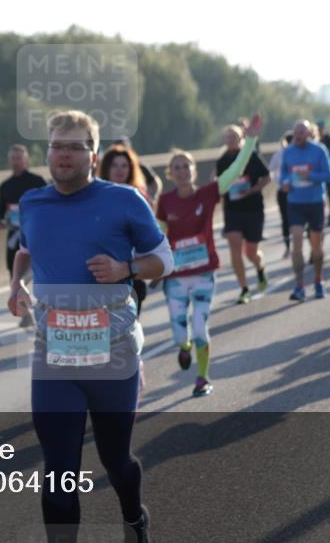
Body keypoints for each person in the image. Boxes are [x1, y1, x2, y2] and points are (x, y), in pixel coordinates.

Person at [8, 110, 174, 543]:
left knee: (115, 459)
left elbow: (164, 257)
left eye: (74, 146)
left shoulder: (124, 200)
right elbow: (26, 249)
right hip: (54, 353)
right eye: (56, 146)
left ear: (93, 156)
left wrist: (126, 270)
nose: (62, 154)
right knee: (58, 469)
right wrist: (15, 283)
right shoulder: (33, 203)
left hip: (112, 351)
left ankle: (133, 518)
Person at [157, 115, 263, 395]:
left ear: (194, 169)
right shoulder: (165, 202)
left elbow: (238, 167)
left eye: (186, 166)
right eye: (176, 168)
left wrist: (250, 140)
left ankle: (202, 378)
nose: (181, 171)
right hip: (176, 279)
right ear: (170, 173)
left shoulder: (209, 193)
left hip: (204, 274)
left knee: (201, 328)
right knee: (181, 333)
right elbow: (157, 234)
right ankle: (184, 347)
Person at [217, 124, 270, 303]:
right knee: (235, 248)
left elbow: (267, 177)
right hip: (233, 211)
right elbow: (221, 189)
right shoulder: (222, 160)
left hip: (253, 209)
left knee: (251, 252)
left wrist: (253, 190)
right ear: (224, 140)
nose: (231, 139)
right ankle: (244, 288)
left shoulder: (251, 156)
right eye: (228, 136)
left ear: (241, 138)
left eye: (234, 136)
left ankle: (260, 267)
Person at [99, 142, 155, 315]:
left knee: (128, 331)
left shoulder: (138, 196)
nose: (120, 170)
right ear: (106, 168)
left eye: (124, 165)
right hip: (101, 272)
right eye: (115, 165)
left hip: (131, 271)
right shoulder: (94, 196)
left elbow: (150, 235)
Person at [280, 120, 330, 301]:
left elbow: (328, 175)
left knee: (316, 246)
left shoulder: (319, 150)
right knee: (296, 242)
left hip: (315, 202)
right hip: (295, 202)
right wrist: (285, 183)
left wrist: (309, 175)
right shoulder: (288, 152)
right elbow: (283, 175)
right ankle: (299, 285)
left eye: (302, 132)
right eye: (296, 133)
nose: (298, 136)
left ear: (310, 133)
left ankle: (318, 280)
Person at [0, 143, 47, 278]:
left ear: (26, 160)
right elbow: (0, 212)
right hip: (15, 234)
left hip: (35, 233)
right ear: (9, 161)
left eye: (19, 158)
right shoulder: (5, 186)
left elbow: (49, 205)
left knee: (40, 271)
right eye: (13, 158)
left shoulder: (37, 181)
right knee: (14, 272)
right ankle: (16, 296)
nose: (16, 161)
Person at [268, 132, 294, 258]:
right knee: (287, 220)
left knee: (287, 220)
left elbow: (271, 171)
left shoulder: (279, 154)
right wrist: (279, 181)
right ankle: (290, 246)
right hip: (286, 190)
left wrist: (277, 181)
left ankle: (290, 247)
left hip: (291, 191)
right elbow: (271, 170)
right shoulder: (281, 154)